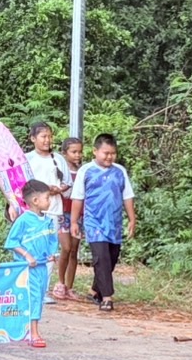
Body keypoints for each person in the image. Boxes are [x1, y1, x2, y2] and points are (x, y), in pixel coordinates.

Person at [69, 134, 137, 311]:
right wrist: (74, 222)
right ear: (95, 151)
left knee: (111, 258)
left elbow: (127, 196)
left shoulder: (120, 171)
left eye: (113, 153)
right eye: (106, 153)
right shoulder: (86, 171)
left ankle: (95, 290)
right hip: (94, 222)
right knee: (101, 257)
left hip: (114, 223)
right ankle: (107, 297)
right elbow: (78, 198)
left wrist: (132, 219)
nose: (109, 157)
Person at [6, 181, 60, 346]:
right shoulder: (23, 220)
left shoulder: (48, 220)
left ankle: (28, 329)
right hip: (28, 269)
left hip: (42, 267)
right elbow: (12, 242)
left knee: (40, 297)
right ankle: (33, 333)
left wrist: (52, 254)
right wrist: (27, 256)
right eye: (47, 198)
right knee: (33, 297)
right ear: (35, 201)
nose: (49, 201)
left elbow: (52, 240)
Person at [25, 123, 73, 299]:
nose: (47, 140)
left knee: (50, 249)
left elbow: (67, 183)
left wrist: (57, 189)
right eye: (43, 136)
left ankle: (44, 290)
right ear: (33, 138)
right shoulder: (27, 159)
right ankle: (29, 286)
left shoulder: (58, 159)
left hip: (53, 209)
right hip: (32, 211)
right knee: (32, 247)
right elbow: (22, 184)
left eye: (49, 136)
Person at [56, 137, 85, 298]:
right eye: (74, 152)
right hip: (62, 213)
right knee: (66, 248)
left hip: (77, 214)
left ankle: (70, 286)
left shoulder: (83, 172)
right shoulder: (60, 171)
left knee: (74, 250)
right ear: (64, 153)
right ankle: (60, 282)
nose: (77, 155)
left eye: (80, 152)